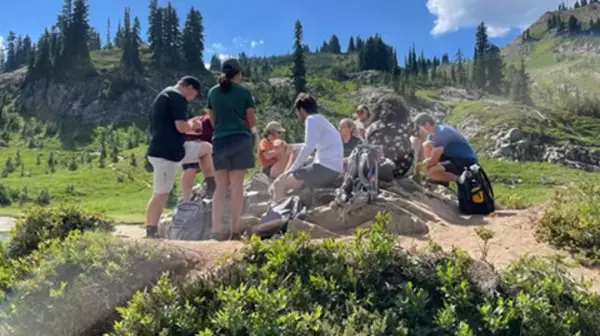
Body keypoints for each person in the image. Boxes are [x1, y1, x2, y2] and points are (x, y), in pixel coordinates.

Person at [145, 76, 203, 239]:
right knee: (161, 193)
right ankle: (151, 231)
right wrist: (193, 125)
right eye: (195, 96)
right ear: (189, 87)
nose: (193, 100)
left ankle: (211, 182)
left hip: (171, 149)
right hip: (166, 154)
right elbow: (181, 126)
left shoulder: (164, 95)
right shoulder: (177, 97)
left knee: (205, 149)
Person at [207, 58, 256, 241]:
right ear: (238, 74)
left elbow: (212, 119)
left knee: (220, 188)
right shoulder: (244, 92)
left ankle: (215, 230)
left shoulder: (213, 92)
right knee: (237, 187)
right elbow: (251, 120)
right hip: (240, 140)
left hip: (220, 140)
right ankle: (234, 231)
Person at [270, 93, 344, 202]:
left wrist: (292, 169)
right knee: (290, 187)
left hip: (324, 168)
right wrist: (291, 146)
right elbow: (312, 144)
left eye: (297, 111)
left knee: (278, 183)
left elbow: (308, 147)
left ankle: (277, 215)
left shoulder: (311, 119)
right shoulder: (322, 120)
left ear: (302, 110)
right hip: (333, 169)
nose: (297, 114)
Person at [412, 112, 479, 185]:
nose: (419, 130)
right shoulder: (433, 134)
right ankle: (442, 179)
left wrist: (421, 167)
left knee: (432, 171)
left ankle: (461, 181)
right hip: (453, 158)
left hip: (465, 161)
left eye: (420, 127)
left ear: (427, 124)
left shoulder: (441, 133)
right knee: (427, 145)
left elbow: (433, 160)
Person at [365, 93, 418, 180]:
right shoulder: (406, 124)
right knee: (416, 138)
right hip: (402, 168)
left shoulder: (372, 127)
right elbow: (423, 134)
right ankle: (418, 173)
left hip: (378, 169)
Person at [180, 115, 216, 201]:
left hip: (184, 143)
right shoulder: (210, 123)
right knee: (192, 169)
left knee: (192, 169)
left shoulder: (210, 120)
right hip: (188, 142)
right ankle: (211, 187)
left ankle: (187, 198)